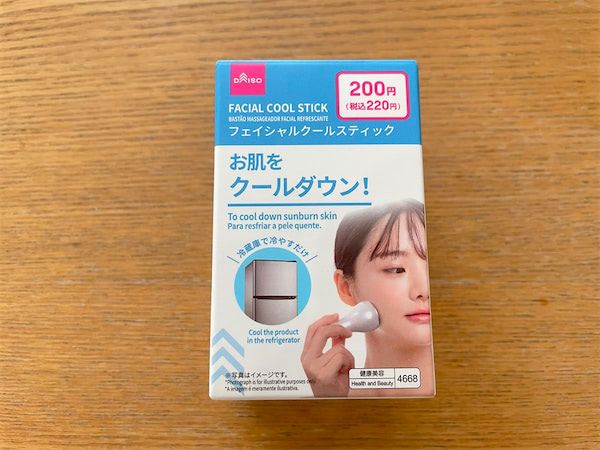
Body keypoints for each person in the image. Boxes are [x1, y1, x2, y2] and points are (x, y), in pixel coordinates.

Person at [301, 200, 435, 397]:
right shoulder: (335, 395)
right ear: (346, 288)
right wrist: (330, 400)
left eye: (431, 267)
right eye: (396, 269)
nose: (423, 290)